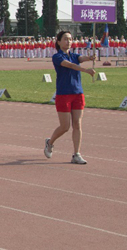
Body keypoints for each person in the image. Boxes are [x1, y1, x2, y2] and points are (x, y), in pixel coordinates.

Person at [44, 31, 96, 165]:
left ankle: (76, 154)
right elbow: (70, 65)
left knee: (77, 124)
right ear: (59, 41)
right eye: (65, 39)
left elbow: (81, 58)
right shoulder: (57, 57)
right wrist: (86, 71)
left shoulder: (74, 56)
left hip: (77, 93)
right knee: (65, 126)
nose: (68, 41)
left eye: (70, 39)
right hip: (64, 94)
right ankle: (50, 142)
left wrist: (90, 58)